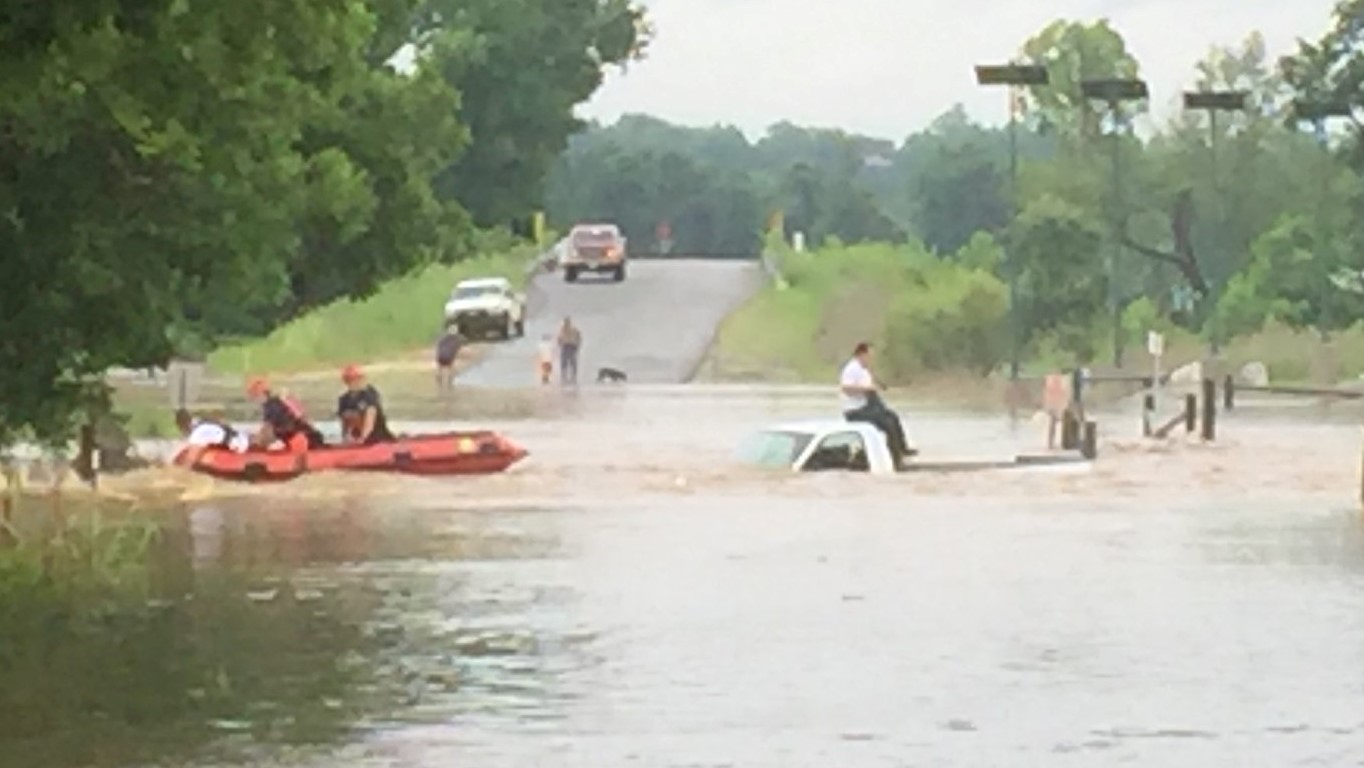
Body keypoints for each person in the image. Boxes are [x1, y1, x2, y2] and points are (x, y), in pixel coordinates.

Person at [839, 342, 912, 470]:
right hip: (855, 411)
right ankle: (895, 459)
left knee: (893, 417)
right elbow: (846, 388)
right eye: (869, 356)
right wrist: (866, 388)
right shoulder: (851, 368)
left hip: (866, 406)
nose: (871, 359)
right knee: (887, 423)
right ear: (861, 354)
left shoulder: (864, 369)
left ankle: (902, 449)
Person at [246, 377, 326, 453]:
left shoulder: (271, 406)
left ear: (260, 394)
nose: (253, 399)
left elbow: (266, 432)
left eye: (254, 395)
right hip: (310, 438)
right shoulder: (277, 402)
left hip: (303, 440)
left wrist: (253, 442)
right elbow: (303, 417)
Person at [336, 364, 395, 444]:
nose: (353, 382)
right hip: (356, 436)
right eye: (349, 379)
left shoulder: (370, 394)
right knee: (348, 414)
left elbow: (370, 419)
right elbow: (344, 424)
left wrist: (363, 439)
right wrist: (345, 438)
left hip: (377, 437)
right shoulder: (343, 399)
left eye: (356, 378)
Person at [175, 408, 250, 453]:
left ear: (183, 426)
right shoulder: (199, 422)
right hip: (240, 438)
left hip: (239, 447)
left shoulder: (197, 434)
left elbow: (191, 458)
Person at [557, 317, 581, 385]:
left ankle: (573, 376)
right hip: (565, 346)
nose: (566, 323)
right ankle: (564, 376)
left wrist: (577, 345)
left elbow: (578, 337)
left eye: (567, 322)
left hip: (571, 346)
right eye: (565, 322)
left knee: (572, 362)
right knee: (564, 362)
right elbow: (559, 339)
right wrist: (560, 344)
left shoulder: (574, 330)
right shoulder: (562, 330)